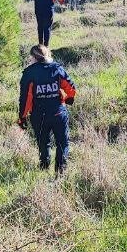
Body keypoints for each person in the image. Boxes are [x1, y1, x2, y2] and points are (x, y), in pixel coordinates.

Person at [17, 45, 76, 175]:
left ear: (33, 57)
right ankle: (60, 172)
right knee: (62, 143)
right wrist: (69, 98)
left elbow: (25, 99)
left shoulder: (29, 73)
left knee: (43, 143)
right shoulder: (57, 68)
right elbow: (70, 86)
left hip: (39, 115)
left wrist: (22, 117)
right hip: (58, 112)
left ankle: (44, 167)